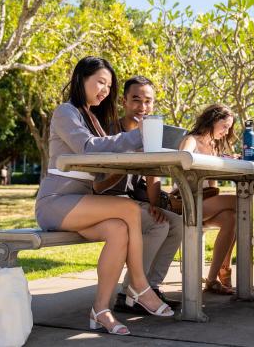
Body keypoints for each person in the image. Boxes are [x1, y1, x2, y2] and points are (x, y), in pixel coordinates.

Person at [35, 57, 173, 336]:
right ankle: (138, 284)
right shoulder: (66, 112)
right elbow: (87, 148)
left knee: (119, 229)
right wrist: (141, 137)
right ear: (80, 79)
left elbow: (101, 169)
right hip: (55, 203)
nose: (104, 90)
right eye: (100, 82)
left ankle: (101, 310)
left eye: (109, 86)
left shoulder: (92, 119)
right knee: (130, 210)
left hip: (79, 204)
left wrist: (151, 149)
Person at [93, 76, 182, 313]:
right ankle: (130, 292)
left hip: (133, 204)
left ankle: (151, 287)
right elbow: (97, 187)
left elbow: (153, 179)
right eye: (136, 100)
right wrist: (123, 169)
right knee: (159, 226)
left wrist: (155, 205)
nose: (142, 107)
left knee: (176, 222)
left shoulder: (152, 134)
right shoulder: (109, 132)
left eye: (148, 102)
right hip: (102, 203)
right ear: (124, 101)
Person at [179, 104, 238, 295]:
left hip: (204, 202)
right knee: (241, 202)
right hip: (187, 200)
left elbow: (212, 186)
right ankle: (225, 268)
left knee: (232, 218)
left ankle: (212, 279)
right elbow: (183, 160)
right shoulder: (191, 140)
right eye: (224, 126)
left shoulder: (213, 146)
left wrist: (225, 161)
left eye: (229, 128)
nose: (226, 131)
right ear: (212, 120)